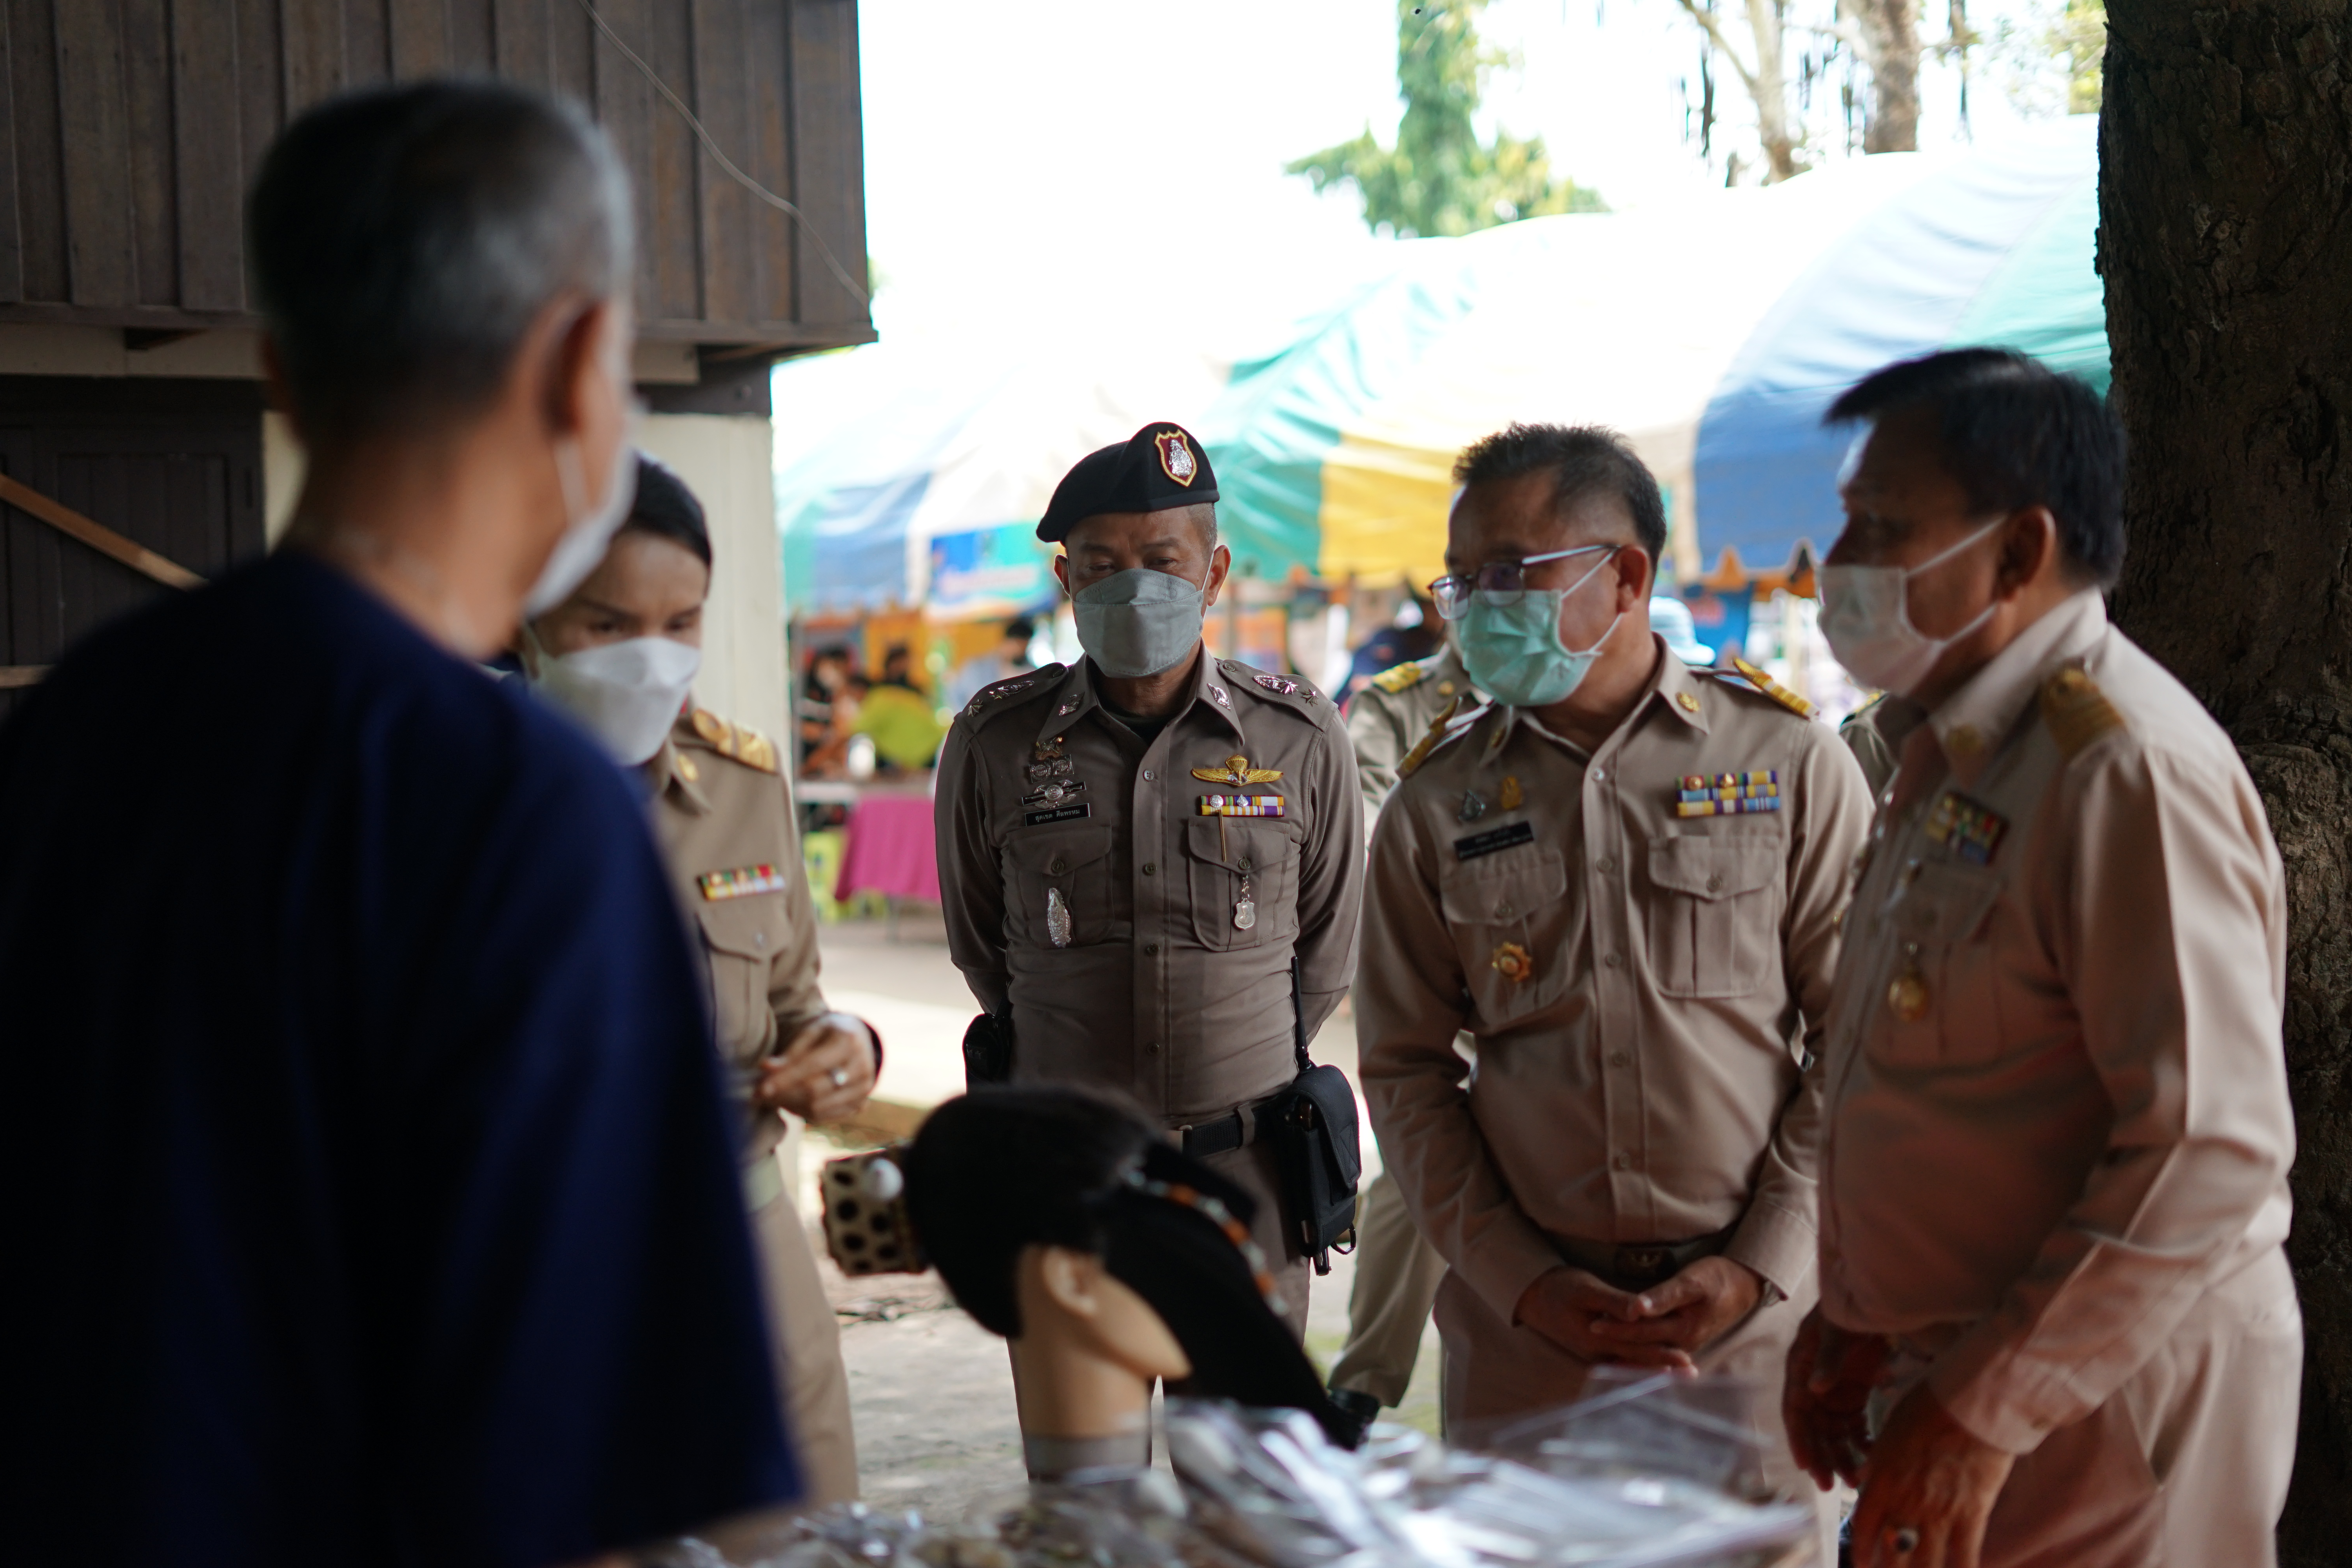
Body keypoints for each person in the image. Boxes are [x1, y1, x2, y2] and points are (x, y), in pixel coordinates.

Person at [0, 82, 795, 1565]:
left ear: (284, 374)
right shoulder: (526, 812)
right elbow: (593, 1451)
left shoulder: (71, 725)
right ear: (577, 369)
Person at [1784, 350, 2301, 1568]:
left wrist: (1978, 1410)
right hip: (1984, 1367)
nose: (1840, 561)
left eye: (1881, 524)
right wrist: (1858, 1316)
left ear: (2017, 553)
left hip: (2101, 1389)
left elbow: (2206, 1146)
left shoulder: (2120, 767)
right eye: (1845, 519)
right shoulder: (1955, 751)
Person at [1356, 424, 1871, 1562]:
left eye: (1508, 575)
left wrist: (1756, 1267)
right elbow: (1401, 1067)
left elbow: (1863, 1041)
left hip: (1750, 1337)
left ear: (1625, 576)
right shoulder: (1435, 802)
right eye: (1461, 580)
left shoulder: (1787, 763)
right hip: (1525, 1340)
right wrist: (1522, 1283)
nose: (1473, 608)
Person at [935, 421, 1365, 1332]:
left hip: (1244, 1176)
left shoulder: (1297, 735)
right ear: (1065, 580)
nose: (1134, 586)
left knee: (1240, 1470)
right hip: (1067, 1179)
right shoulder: (996, 741)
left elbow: (1325, 955)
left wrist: (1229, 1060)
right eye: (1102, 564)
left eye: (1163, 561)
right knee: (1086, 1471)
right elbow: (983, 946)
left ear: (1212, 573)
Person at [523, 454, 879, 1507]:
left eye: (680, 623)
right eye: (606, 624)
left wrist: (845, 1047)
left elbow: (800, 1003)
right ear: (528, 618)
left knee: (791, 1533)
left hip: (749, 1250)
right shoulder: (452, 798)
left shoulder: (742, 784)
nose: (649, 656)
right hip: (553, 1261)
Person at [1323, 635, 1482, 1435]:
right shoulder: (1398, 699)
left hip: (1561, 972)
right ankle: (1363, 1380)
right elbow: (1370, 817)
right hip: (1435, 962)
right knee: (1424, 1158)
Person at [948, 615, 1039, 710]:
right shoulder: (976, 668)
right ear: (1007, 642)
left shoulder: (1031, 673)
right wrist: (969, 721)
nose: (1021, 651)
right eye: (1018, 645)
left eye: (1025, 646)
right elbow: (955, 695)